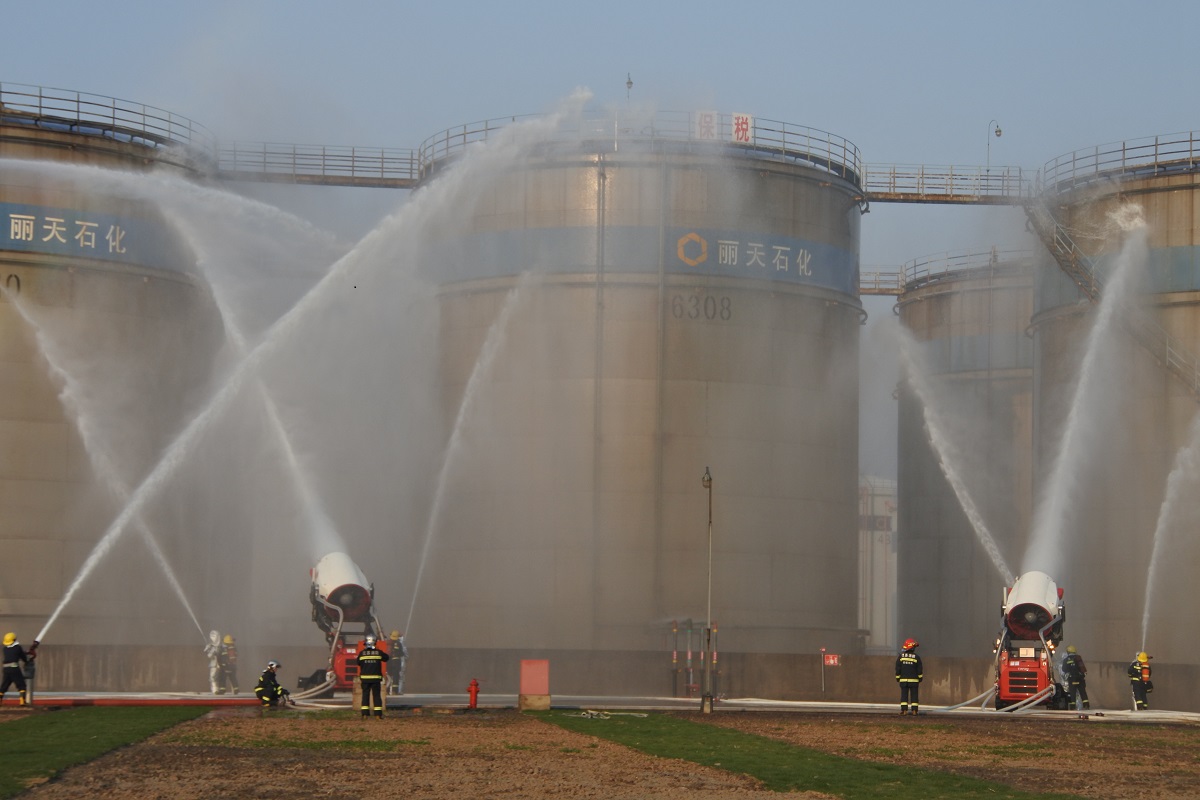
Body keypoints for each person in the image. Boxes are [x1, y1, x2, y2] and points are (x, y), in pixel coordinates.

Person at [356, 635, 389, 717]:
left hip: (365, 679)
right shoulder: (379, 652)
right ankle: (378, 715)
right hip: (376, 679)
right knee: (376, 696)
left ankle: (365, 714)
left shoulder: (362, 653)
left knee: (365, 695)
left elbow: (358, 663)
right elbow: (386, 658)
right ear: (375, 642)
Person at [0, 633, 34, 706]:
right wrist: (27, 660)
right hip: (14, 668)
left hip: (6, 669)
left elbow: (13, 653)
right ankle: (22, 701)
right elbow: (23, 657)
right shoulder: (18, 647)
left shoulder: (5, 649)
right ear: (14, 640)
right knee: (21, 684)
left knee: (4, 685)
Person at [895, 638, 923, 715]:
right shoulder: (916, 657)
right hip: (914, 681)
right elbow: (919, 669)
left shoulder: (901, 657)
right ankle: (914, 711)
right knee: (914, 695)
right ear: (912, 648)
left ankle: (904, 710)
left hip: (903, 680)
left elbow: (898, 668)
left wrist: (898, 677)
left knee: (904, 695)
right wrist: (920, 677)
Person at [1062, 645, 1089, 710]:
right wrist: (1083, 674)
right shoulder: (1078, 658)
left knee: (1072, 693)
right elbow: (1082, 667)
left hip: (1072, 678)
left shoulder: (1066, 659)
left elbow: (1064, 669)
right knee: (1082, 691)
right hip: (1080, 678)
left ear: (1068, 652)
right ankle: (1086, 705)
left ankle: (1072, 706)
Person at [387, 630, 409, 695]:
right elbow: (401, 653)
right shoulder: (398, 643)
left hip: (389, 661)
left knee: (389, 677)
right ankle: (395, 691)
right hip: (396, 662)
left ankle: (387, 690)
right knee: (396, 676)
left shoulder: (388, 643)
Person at [204, 630, 222, 694]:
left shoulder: (220, 646)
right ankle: (215, 689)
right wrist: (208, 648)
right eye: (212, 636)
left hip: (220, 664)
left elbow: (219, 653)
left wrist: (212, 650)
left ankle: (218, 689)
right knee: (213, 677)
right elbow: (208, 655)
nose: (212, 637)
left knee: (217, 677)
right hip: (214, 664)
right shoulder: (211, 646)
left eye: (214, 636)